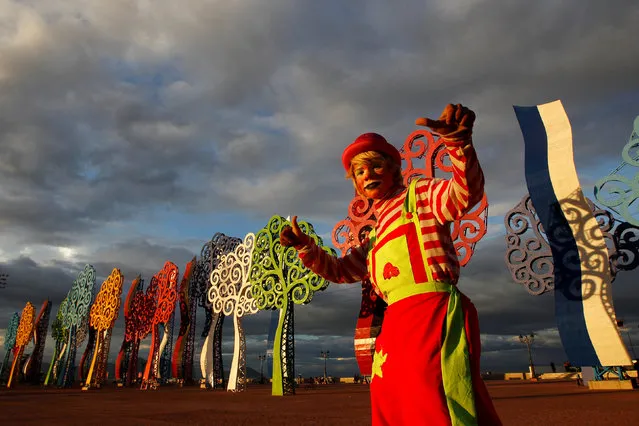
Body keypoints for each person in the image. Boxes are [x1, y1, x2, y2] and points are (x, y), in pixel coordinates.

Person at [280, 104, 501, 425]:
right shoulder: (375, 233)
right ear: (355, 183)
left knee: (434, 396)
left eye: (375, 165)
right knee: (389, 397)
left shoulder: (420, 195)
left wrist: (459, 144)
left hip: (432, 311)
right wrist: (306, 248)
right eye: (359, 171)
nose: (367, 174)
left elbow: (464, 194)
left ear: (394, 168)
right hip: (394, 322)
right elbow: (341, 271)